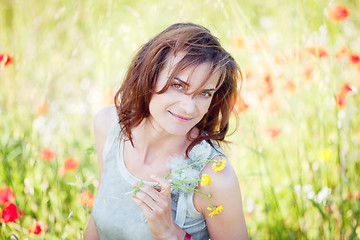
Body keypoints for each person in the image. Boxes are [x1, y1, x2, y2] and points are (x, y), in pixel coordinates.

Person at [84, 22, 249, 240]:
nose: (189, 108)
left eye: (205, 93)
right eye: (178, 86)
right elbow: (99, 218)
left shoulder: (214, 176)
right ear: (149, 75)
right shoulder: (108, 127)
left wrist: (171, 234)